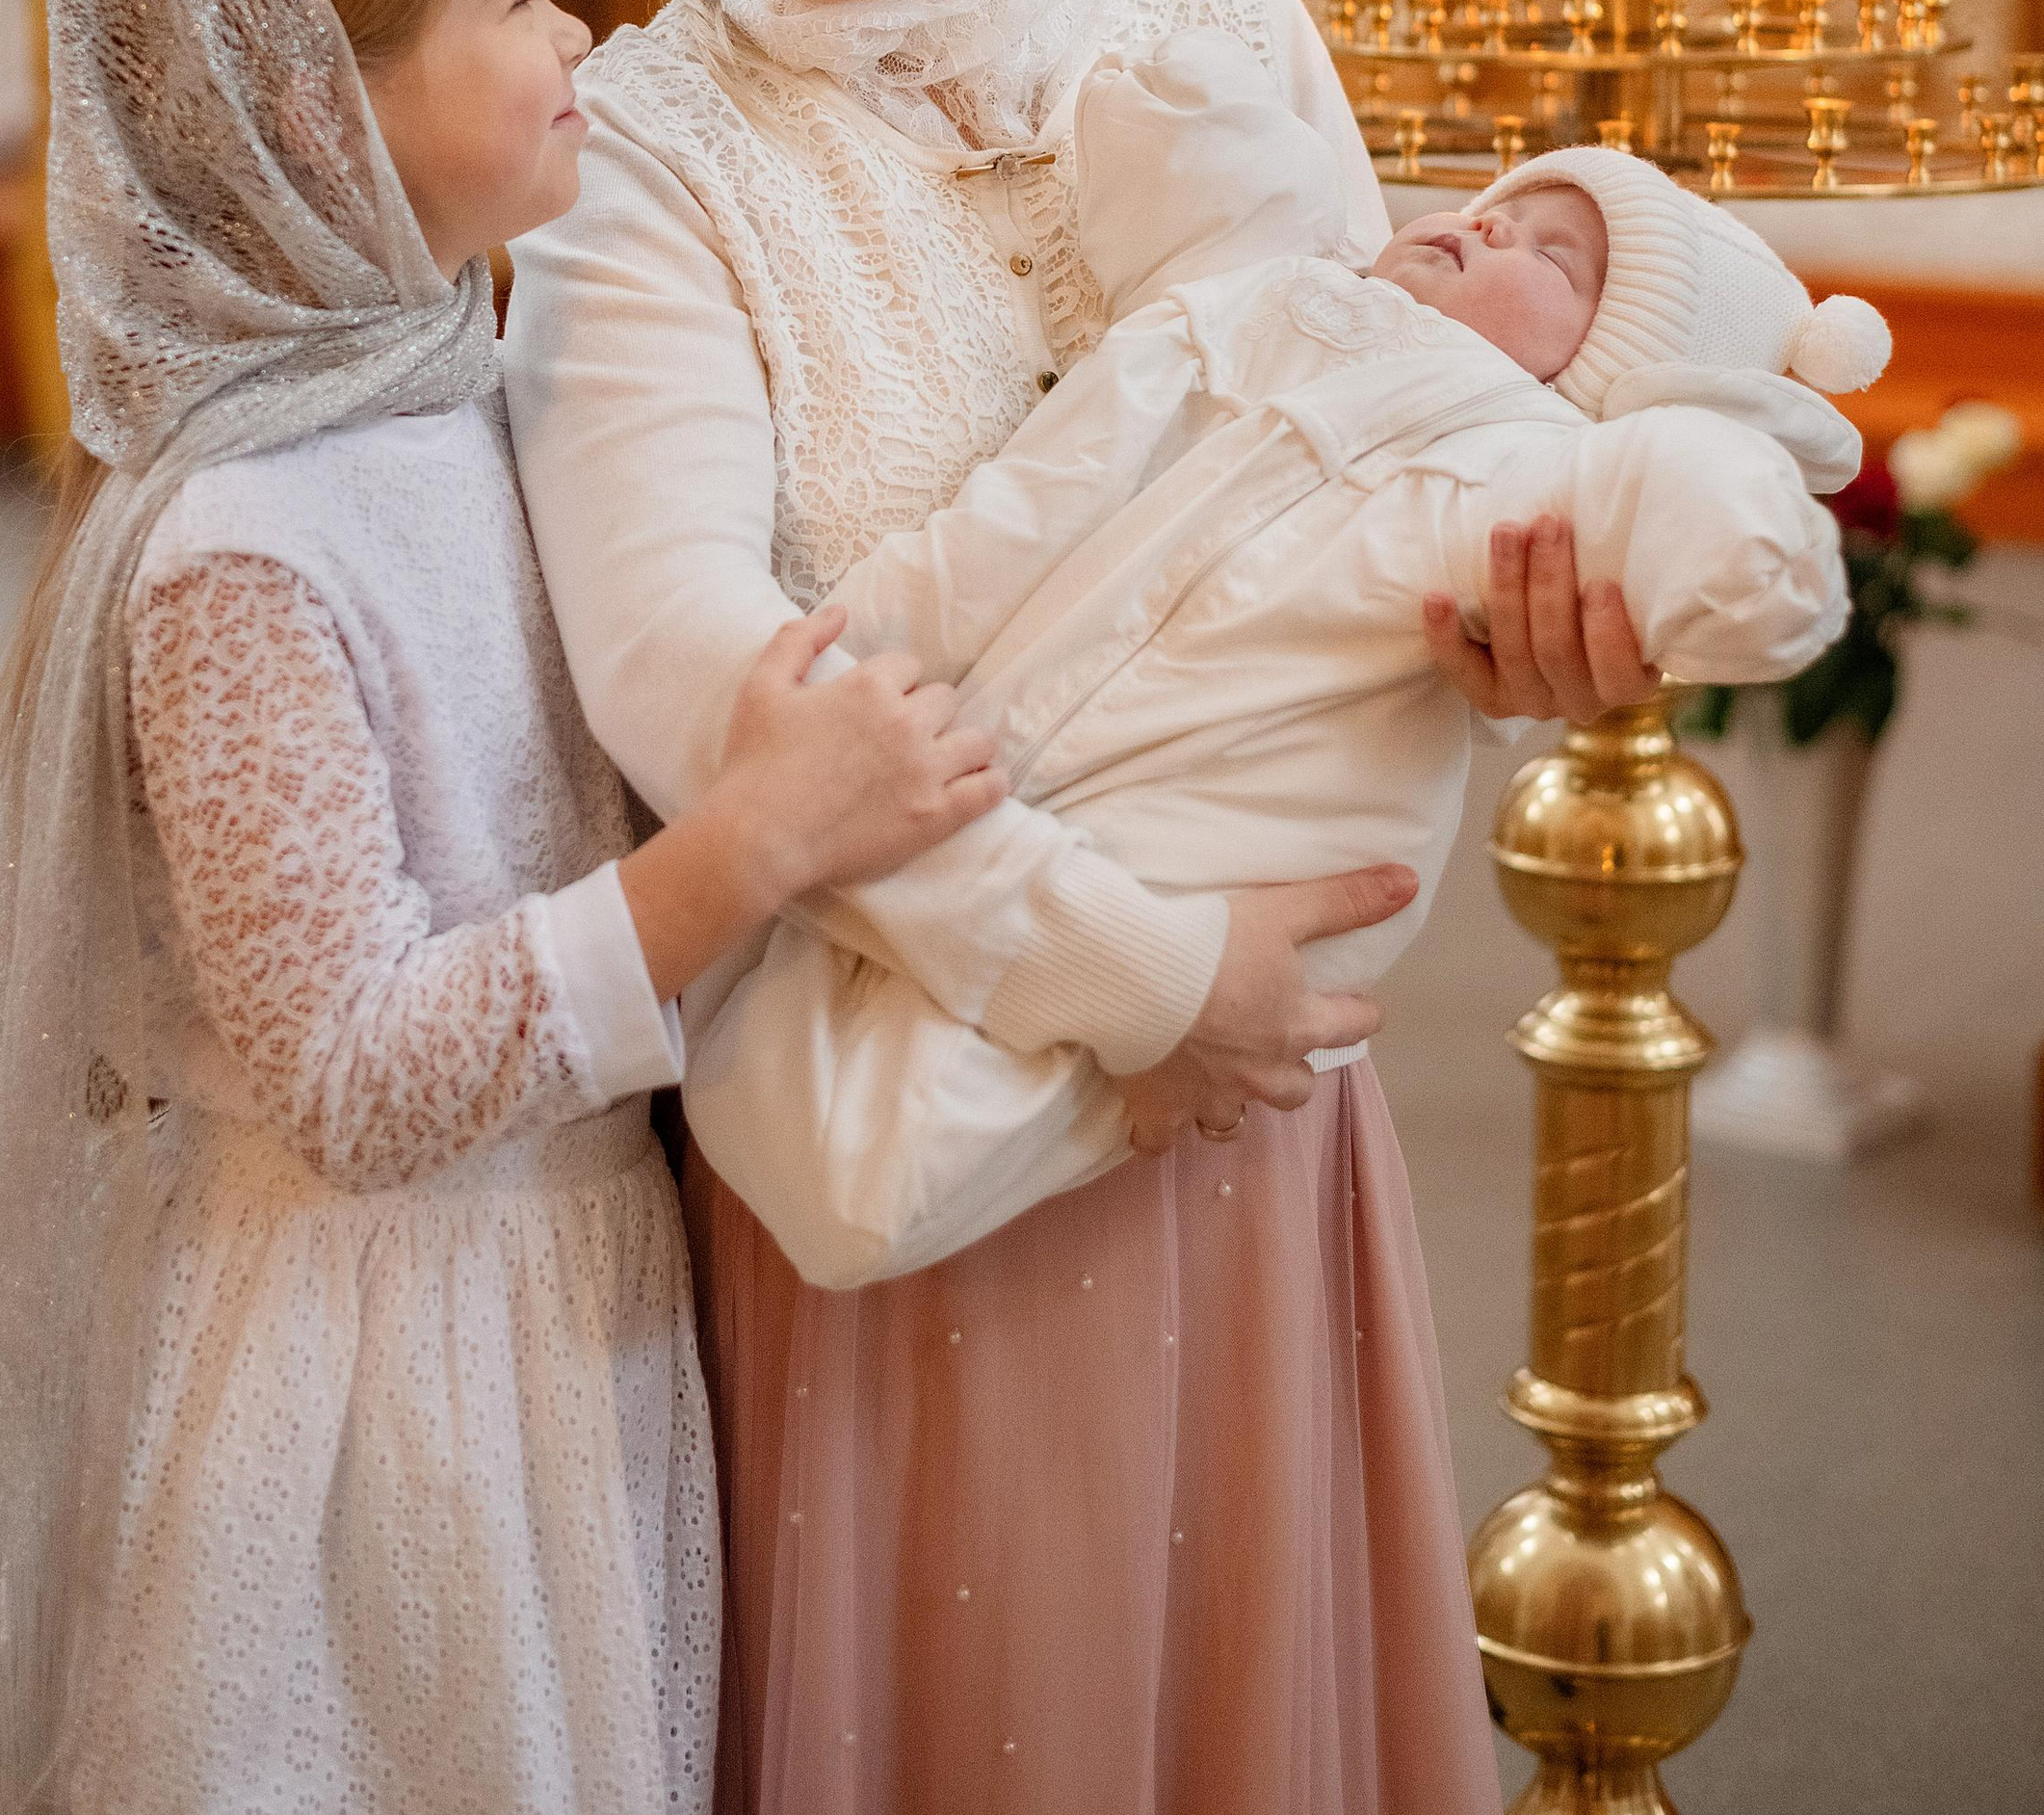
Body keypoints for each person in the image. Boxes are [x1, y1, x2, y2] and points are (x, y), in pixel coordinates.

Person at [505, 0, 1629, 1815]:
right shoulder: (651, 158)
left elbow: (1375, 465)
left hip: (1248, 1128)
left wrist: (1512, 636)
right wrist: (1150, 985)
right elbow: (702, 684)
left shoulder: (1204, 21)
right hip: (913, 1132)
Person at [0, 0, 1007, 1815]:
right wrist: (751, 839)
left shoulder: (462, 382)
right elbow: (352, 1068)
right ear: (326, 115)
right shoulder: (245, 544)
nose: (579, 39)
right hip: (366, 1388)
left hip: (556, 1322)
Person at [683, 80, 1881, 1285]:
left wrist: (1735, 544)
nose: (1488, 226)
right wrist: (1183, 103)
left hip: (1243, 796)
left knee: (940, 1118)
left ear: (1608, 374)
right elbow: (1038, 492)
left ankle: (924, 1140)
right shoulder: (1269, 305)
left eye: (1555, 258)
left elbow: (1668, 501)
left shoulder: (1524, 460)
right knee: (838, 977)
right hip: (1035, 700)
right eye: (1499, 207)